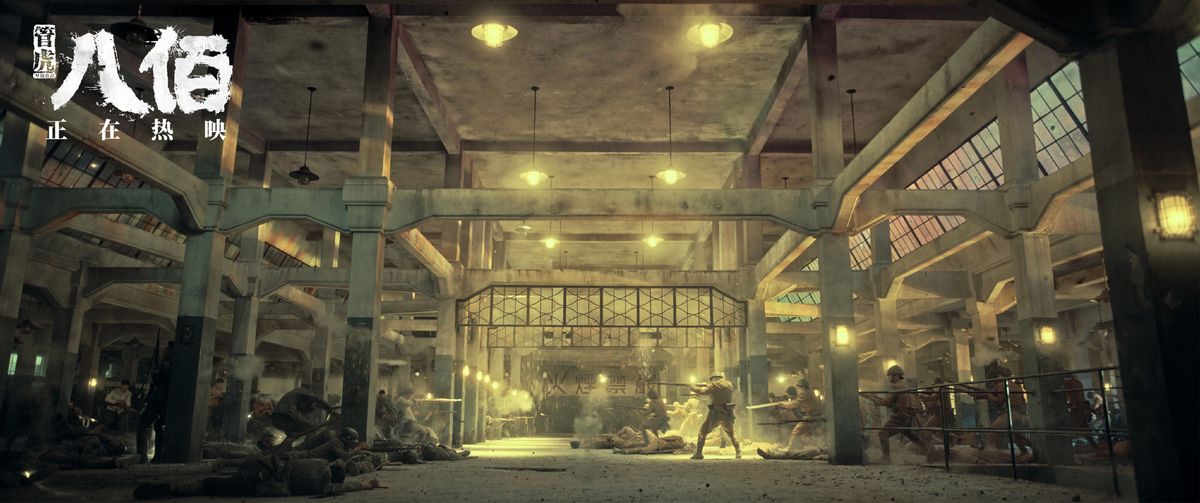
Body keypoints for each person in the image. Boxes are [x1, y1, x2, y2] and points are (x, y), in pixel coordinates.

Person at [864, 365, 930, 463]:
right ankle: (931, 452)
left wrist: (873, 399)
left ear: (896, 376)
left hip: (900, 416)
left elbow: (887, 402)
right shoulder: (905, 385)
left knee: (883, 434)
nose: (889, 378)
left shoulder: (896, 387)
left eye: (890, 376)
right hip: (908, 416)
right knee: (911, 436)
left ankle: (886, 458)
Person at [968, 364, 1033, 456]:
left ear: (1000, 376)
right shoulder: (1015, 385)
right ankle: (1028, 451)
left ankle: (991, 453)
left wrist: (987, 395)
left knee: (992, 432)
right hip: (1019, 414)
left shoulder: (1003, 384)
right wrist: (980, 395)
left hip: (1010, 414)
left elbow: (999, 400)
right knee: (1017, 436)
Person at [687, 371, 740, 460]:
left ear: (714, 378)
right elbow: (714, 395)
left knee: (702, 432)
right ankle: (738, 452)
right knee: (731, 433)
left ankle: (699, 453)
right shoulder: (729, 384)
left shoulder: (715, 384)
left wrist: (691, 387)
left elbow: (702, 391)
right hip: (727, 413)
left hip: (716, 413)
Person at [137, 343, 172, 463]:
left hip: (159, 399)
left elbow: (156, 382)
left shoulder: (165, 365)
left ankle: (142, 456)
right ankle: (158, 456)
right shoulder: (179, 367)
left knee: (142, 424)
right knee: (159, 426)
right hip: (169, 401)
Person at [772, 380, 822, 452]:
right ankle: (815, 448)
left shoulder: (804, 393)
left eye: (798, 387)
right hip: (814, 415)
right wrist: (784, 404)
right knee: (809, 434)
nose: (798, 389)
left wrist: (783, 404)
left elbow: (795, 403)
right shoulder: (810, 392)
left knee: (796, 430)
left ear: (802, 387)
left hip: (811, 416)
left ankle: (789, 449)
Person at [272, 386, 336, 437]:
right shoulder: (303, 392)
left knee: (292, 434)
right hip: (285, 417)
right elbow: (317, 399)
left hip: (275, 420)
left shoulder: (294, 397)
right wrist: (330, 408)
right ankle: (309, 447)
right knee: (310, 428)